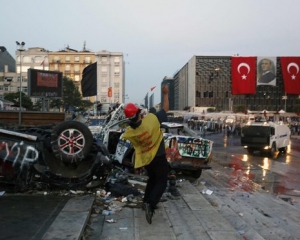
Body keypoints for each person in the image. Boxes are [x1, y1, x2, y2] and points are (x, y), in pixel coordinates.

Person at [121, 85, 169, 224]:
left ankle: (145, 201)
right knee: (161, 181)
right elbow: (165, 109)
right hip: (159, 157)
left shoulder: (130, 132)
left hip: (147, 160)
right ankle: (151, 204)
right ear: (139, 113)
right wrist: (165, 94)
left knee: (152, 180)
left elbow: (128, 136)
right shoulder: (152, 119)